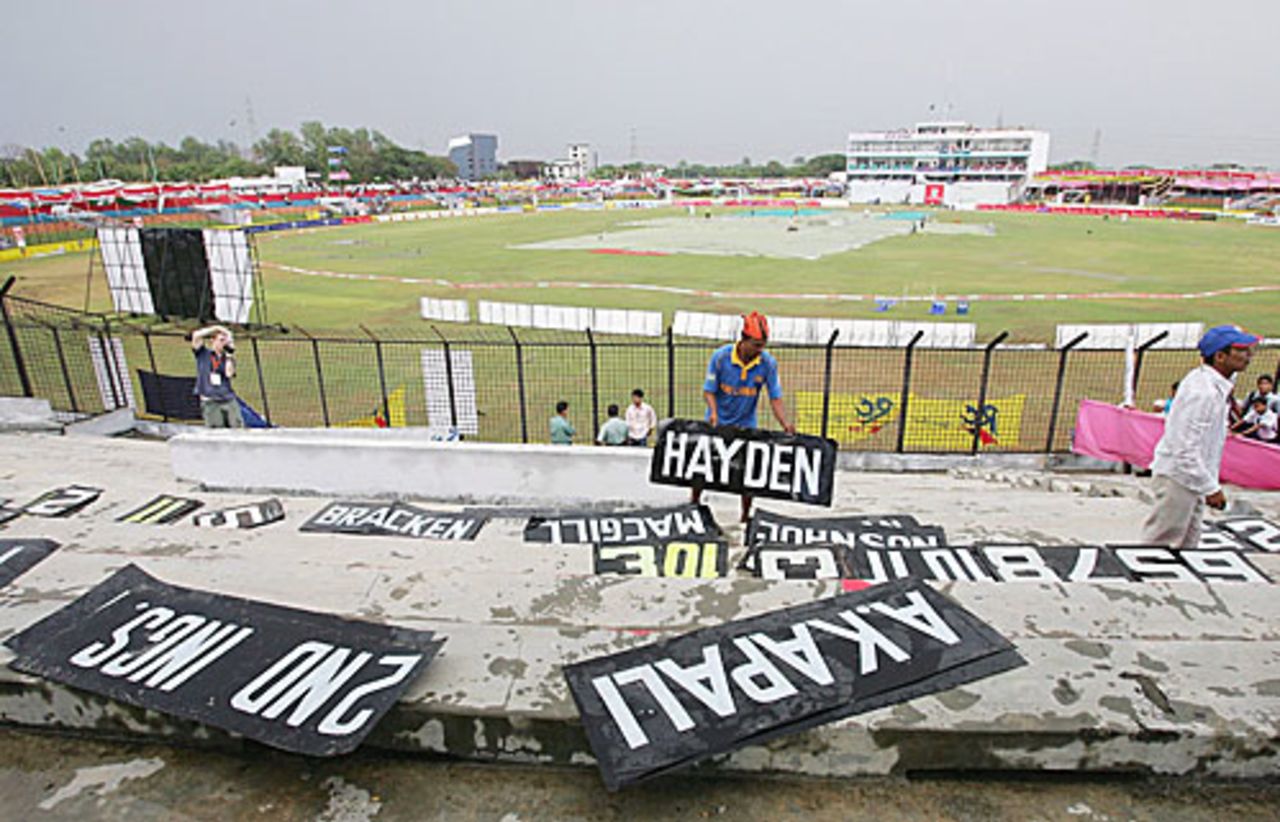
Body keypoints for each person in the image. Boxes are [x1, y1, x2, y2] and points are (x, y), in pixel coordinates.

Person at [1142, 325, 1259, 548]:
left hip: (1192, 479)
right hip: (1180, 478)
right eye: (1241, 350)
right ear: (1220, 356)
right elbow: (1184, 447)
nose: (1249, 355)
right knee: (1160, 547)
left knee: (1187, 546)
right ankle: (1145, 582)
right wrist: (1210, 488)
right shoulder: (1202, 393)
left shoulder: (1214, 385)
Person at [696, 311, 795, 523]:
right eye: (756, 345)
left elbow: (775, 397)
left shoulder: (767, 363)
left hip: (746, 424)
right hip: (717, 423)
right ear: (743, 339)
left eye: (763, 345)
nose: (760, 350)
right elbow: (709, 391)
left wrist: (785, 423)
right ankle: (694, 505)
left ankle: (744, 516)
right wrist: (713, 413)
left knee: (749, 474)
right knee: (702, 469)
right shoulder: (721, 357)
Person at [190, 324, 243, 429]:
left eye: (225, 341)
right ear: (213, 341)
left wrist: (229, 354)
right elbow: (196, 336)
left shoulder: (227, 359)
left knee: (236, 425)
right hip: (210, 399)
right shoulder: (203, 353)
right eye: (221, 340)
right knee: (216, 429)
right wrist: (216, 329)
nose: (223, 343)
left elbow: (229, 373)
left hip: (227, 398)